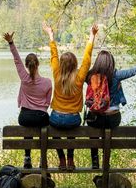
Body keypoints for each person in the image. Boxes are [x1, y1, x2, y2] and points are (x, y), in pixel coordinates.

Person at [85, 51, 136, 169]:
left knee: (93, 131)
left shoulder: (90, 76)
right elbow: (133, 71)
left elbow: (80, 71)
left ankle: (95, 160)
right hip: (113, 119)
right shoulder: (116, 75)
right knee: (107, 133)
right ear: (111, 62)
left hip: (96, 119)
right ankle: (106, 160)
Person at [42, 21, 99, 170]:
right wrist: (92, 36)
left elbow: (54, 55)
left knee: (53, 129)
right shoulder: (80, 77)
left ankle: (61, 158)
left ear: (61, 64)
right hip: (73, 119)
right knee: (71, 131)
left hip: (56, 118)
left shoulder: (56, 74)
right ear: (74, 64)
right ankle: (70, 159)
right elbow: (87, 58)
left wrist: (51, 35)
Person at [3, 31, 52, 169]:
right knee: (43, 127)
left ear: (26, 65)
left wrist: (11, 43)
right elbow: (47, 103)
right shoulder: (48, 82)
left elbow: (16, 59)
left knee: (27, 128)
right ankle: (43, 158)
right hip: (41, 117)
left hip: (24, 117)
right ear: (38, 64)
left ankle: (27, 157)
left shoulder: (24, 78)